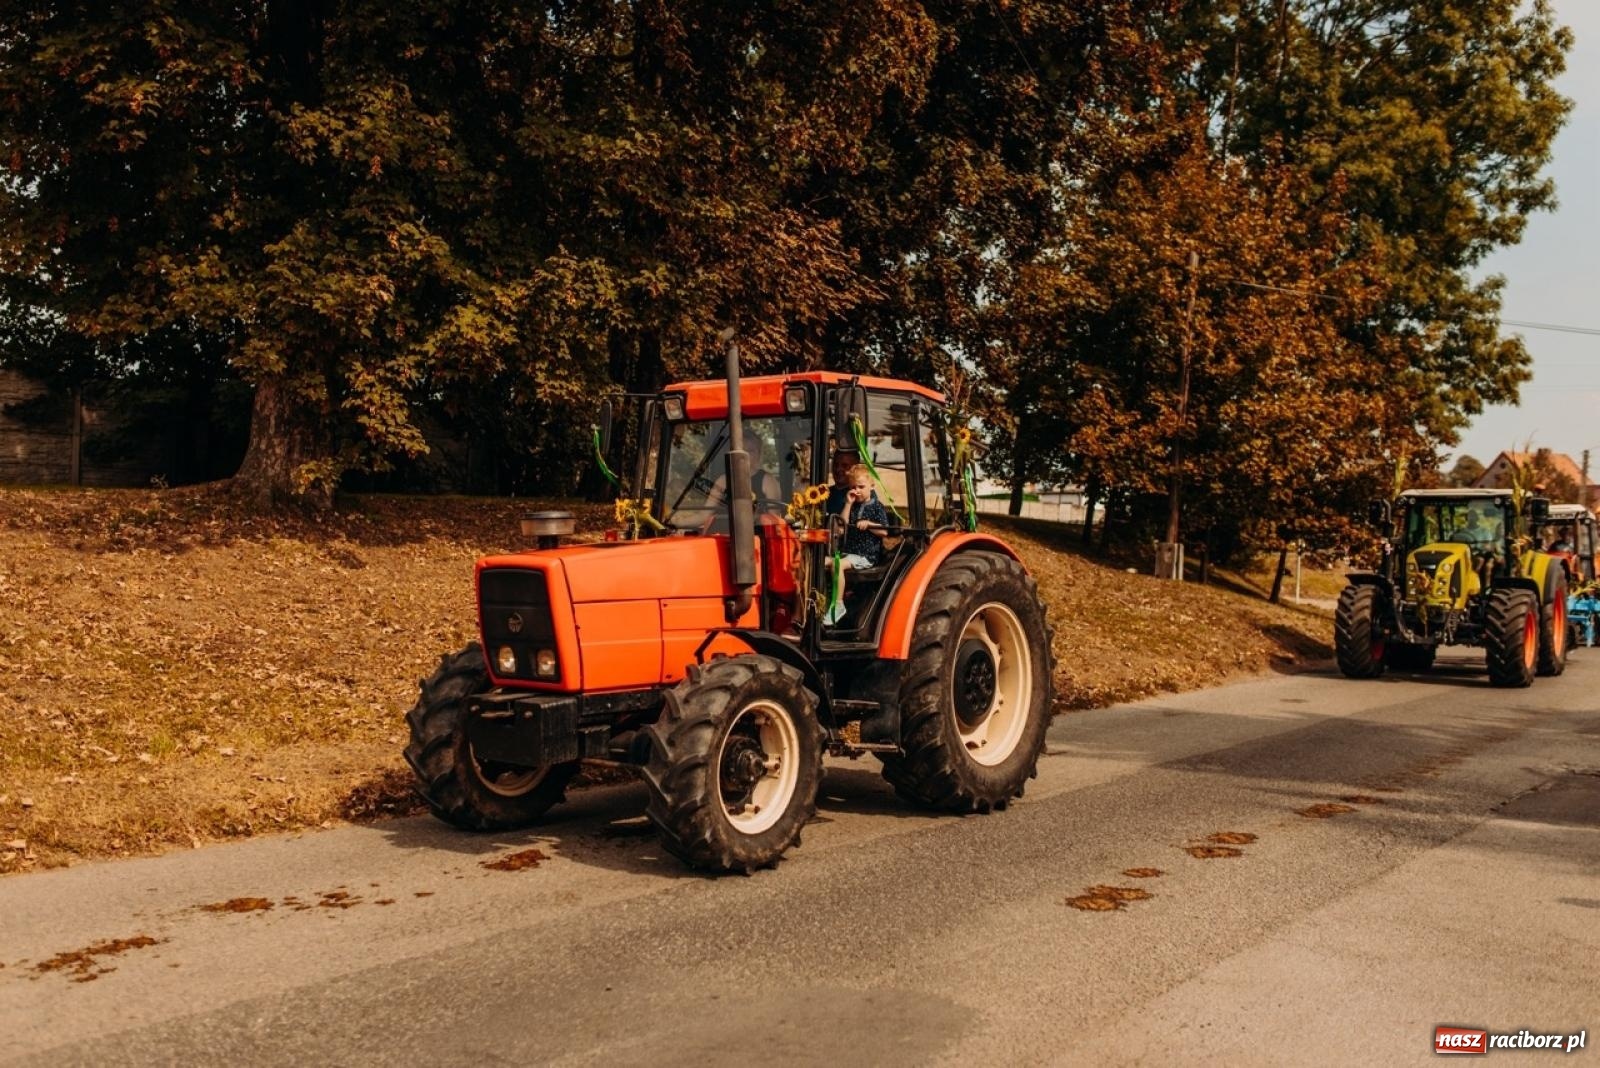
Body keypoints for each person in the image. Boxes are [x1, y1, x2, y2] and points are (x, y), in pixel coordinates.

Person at [823, 464, 890, 626]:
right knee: (821, 561)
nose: (857, 490)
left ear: (872, 486)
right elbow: (842, 524)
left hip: (865, 555)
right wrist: (847, 503)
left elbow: (884, 532)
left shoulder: (876, 506)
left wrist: (869, 524)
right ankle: (819, 602)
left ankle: (838, 605)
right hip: (849, 553)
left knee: (837, 564)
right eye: (853, 487)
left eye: (861, 486)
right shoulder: (853, 506)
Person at [825, 448, 860, 514]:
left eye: (845, 465)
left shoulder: (862, 492)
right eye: (836, 464)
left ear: (855, 468)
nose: (838, 469)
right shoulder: (824, 493)